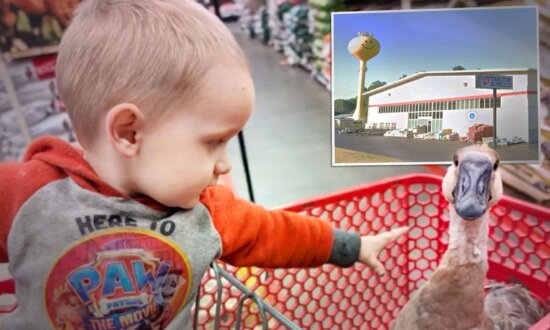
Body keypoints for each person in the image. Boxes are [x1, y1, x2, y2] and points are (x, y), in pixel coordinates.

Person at [0, 0, 409, 328]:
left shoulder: (204, 212)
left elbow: (274, 232)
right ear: (129, 132)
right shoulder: (27, 194)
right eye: (214, 142)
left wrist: (349, 245)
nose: (223, 166)